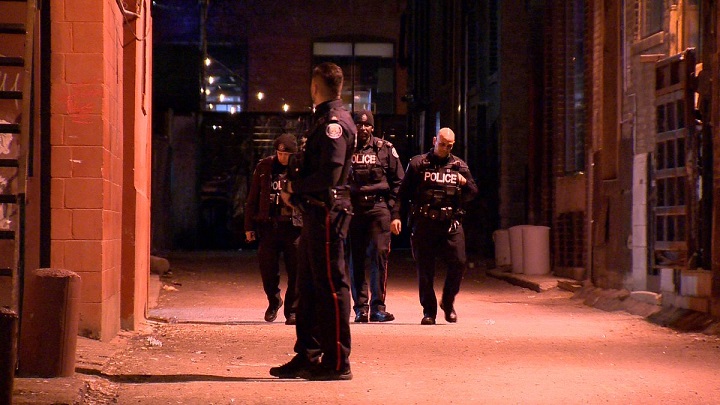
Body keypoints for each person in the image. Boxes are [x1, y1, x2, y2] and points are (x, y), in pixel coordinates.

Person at [271, 62, 356, 381]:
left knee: (331, 286)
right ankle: (307, 355)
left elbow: (330, 174)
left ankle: (338, 362)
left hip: (327, 213)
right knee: (307, 286)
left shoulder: (334, 122)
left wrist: (294, 188)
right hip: (314, 212)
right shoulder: (323, 118)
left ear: (316, 86)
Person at [391, 127, 478, 325]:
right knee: (425, 268)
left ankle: (447, 301)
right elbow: (403, 194)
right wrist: (396, 216)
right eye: (442, 144)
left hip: (450, 223)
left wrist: (464, 183)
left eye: (449, 146)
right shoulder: (418, 164)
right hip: (424, 222)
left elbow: (473, 192)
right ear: (434, 141)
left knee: (459, 262)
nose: (445, 148)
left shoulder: (459, 166)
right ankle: (429, 311)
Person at [346, 110, 404, 323]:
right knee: (356, 258)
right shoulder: (345, 148)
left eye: (367, 125)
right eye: (359, 125)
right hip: (353, 209)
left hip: (379, 207)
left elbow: (399, 182)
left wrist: (394, 212)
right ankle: (360, 309)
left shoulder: (384, 148)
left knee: (380, 255)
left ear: (372, 127)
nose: (363, 128)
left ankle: (378, 308)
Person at [244, 134, 301, 325]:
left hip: (294, 227)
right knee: (267, 269)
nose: (282, 157)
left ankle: (292, 311)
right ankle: (274, 300)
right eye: (279, 153)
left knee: (296, 271)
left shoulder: (301, 167)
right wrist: (249, 226)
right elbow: (252, 198)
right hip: (269, 226)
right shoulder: (265, 167)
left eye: (286, 154)